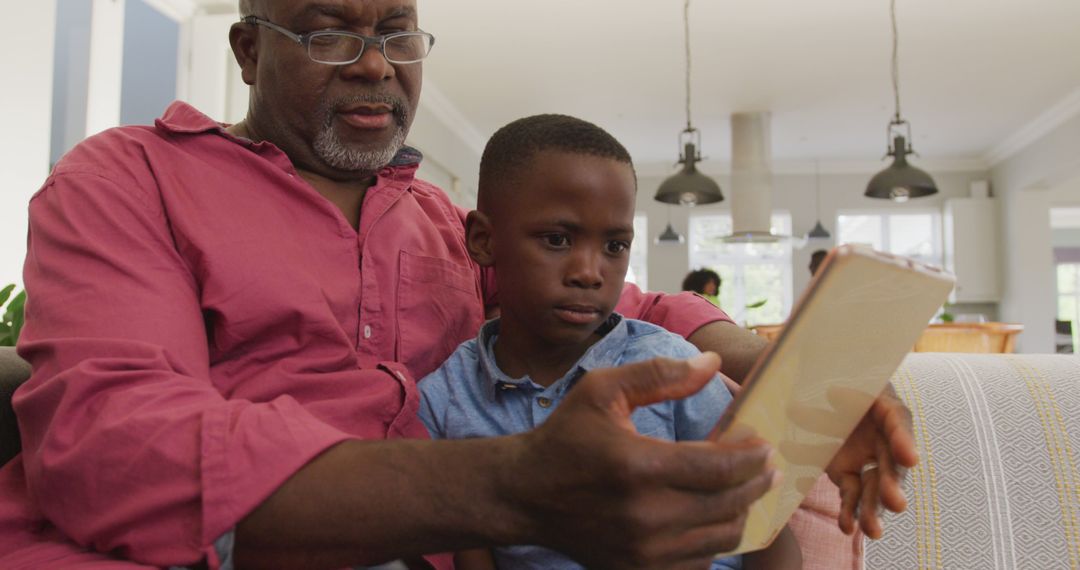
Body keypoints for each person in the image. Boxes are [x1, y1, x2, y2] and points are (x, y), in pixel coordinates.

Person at [0, 0, 917, 567]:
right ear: (247, 49)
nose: (374, 64)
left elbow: (620, 305)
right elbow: (111, 442)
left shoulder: (444, 219)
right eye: (329, 32)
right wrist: (509, 485)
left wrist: (759, 360)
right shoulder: (129, 178)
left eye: (397, 30)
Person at [418, 114, 802, 569]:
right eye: (557, 239)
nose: (589, 272)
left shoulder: (673, 367)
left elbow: (766, 531)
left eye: (615, 247)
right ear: (483, 240)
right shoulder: (447, 399)